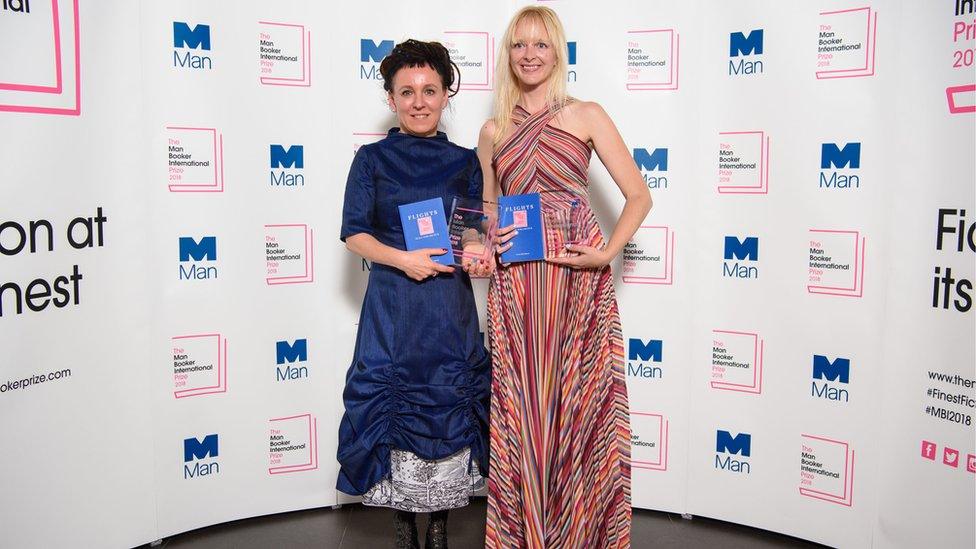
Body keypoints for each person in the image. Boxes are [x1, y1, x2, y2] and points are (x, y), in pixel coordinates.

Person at [476, 6, 652, 548]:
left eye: (540, 45)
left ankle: (578, 531)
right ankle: (528, 532)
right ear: (508, 55)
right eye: (519, 45)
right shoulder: (492, 130)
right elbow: (487, 208)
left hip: (576, 282)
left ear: (558, 52)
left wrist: (607, 255)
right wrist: (486, 239)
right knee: (522, 406)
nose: (529, 55)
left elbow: (639, 196)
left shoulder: (586, 115)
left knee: (576, 402)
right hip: (518, 286)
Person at [337, 39, 491, 549]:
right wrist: (404, 259)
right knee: (393, 403)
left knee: (448, 400)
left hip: (448, 308)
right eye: (407, 92)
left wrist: (474, 247)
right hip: (393, 307)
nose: (419, 101)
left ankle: (443, 521)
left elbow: (470, 228)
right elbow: (355, 233)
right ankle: (403, 523)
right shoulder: (371, 159)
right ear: (391, 99)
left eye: (430, 90)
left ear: (447, 94)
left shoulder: (466, 161)